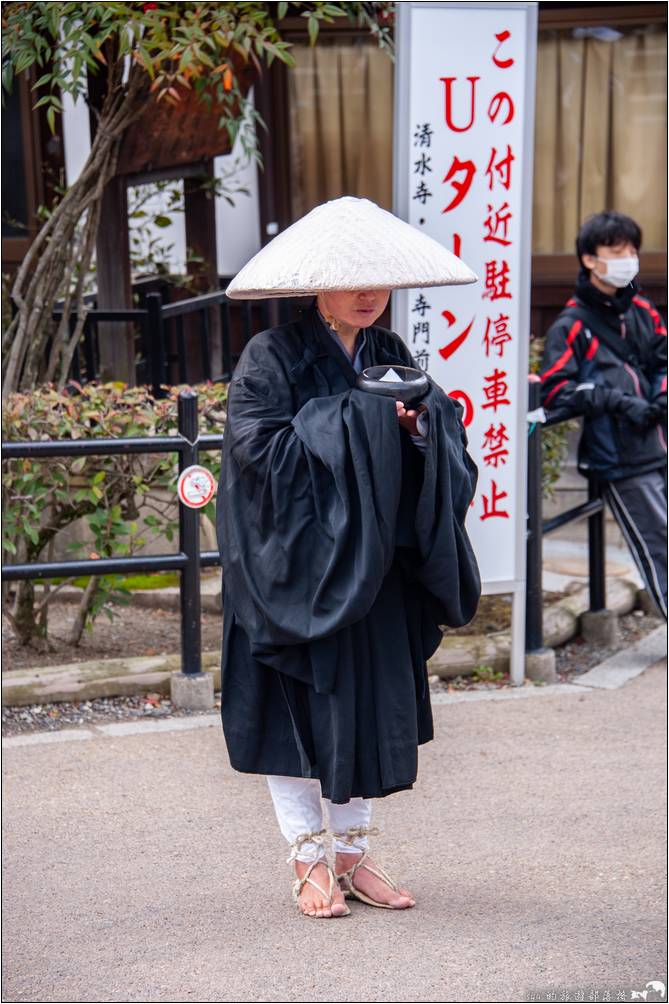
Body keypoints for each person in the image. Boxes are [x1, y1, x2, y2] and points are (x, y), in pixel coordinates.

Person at [216, 197, 481, 919]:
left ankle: (355, 856)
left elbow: (439, 440)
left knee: (363, 709)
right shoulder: (271, 356)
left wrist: (422, 428)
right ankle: (307, 860)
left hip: (373, 569)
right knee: (295, 712)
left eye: (378, 280)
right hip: (295, 569)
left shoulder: (389, 352)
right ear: (317, 283)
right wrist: (366, 422)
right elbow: (256, 453)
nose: (368, 293)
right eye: (351, 279)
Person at [539, 211, 667, 618]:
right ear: (590, 259)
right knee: (659, 541)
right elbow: (556, 391)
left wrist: (660, 399)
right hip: (620, 457)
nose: (629, 257)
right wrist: (615, 400)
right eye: (617, 250)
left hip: (658, 439)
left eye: (632, 249)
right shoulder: (571, 326)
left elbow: (664, 361)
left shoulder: (642, 310)